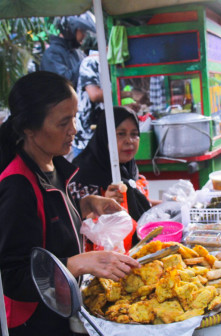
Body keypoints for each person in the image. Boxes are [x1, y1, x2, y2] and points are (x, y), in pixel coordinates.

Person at [0, 71, 140, 336]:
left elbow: (47, 218)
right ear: (30, 128)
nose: (74, 129)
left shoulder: (52, 166)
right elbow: (12, 276)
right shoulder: (17, 186)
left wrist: (85, 204)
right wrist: (75, 264)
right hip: (36, 324)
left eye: (74, 117)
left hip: (64, 310)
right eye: (64, 122)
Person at [70, 106, 153, 246]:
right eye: (121, 134)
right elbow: (76, 226)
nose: (129, 141)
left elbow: (142, 203)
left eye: (134, 134)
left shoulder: (128, 168)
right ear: (105, 136)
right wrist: (102, 205)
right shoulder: (83, 174)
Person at [40, 13, 96, 90]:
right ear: (70, 30)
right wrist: (87, 62)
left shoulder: (77, 52)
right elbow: (64, 83)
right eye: (82, 31)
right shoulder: (52, 54)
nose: (84, 35)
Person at [72, 48, 104, 158]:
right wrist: (127, 94)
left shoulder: (113, 67)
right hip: (86, 137)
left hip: (101, 137)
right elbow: (94, 95)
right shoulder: (91, 62)